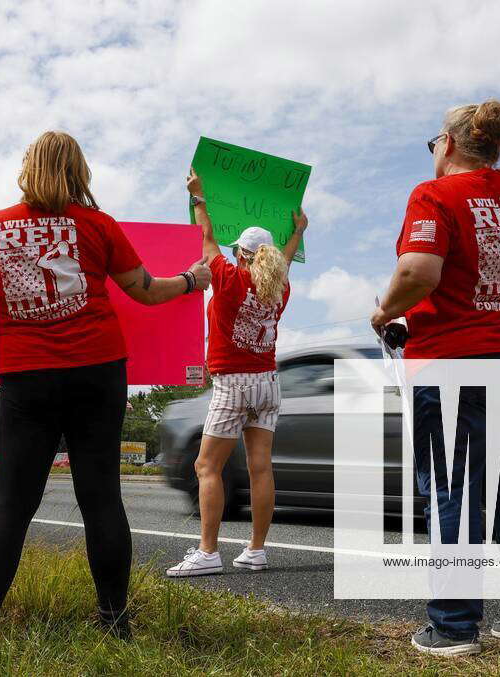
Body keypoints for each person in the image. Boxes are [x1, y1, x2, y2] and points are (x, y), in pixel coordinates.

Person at [0, 130, 211, 656]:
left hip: (26, 376)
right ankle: (114, 624)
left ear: (28, 168)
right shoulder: (97, 225)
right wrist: (190, 280)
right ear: (79, 171)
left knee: (11, 505)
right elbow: (144, 290)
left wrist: (7, 275)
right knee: (102, 499)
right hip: (97, 370)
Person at [371, 91, 500, 656]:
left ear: (449, 143)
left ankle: (454, 628)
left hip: (452, 365)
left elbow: (418, 271)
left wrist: (385, 312)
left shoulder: (434, 194)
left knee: (452, 489)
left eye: (433, 142)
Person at [166, 168, 307, 577]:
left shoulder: (228, 279)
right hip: (268, 384)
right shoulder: (280, 288)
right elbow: (284, 263)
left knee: (206, 467)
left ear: (242, 255)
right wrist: (298, 231)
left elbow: (206, 237)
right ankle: (256, 550)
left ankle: (208, 553)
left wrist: (198, 197)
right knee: (260, 467)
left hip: (233, 384)